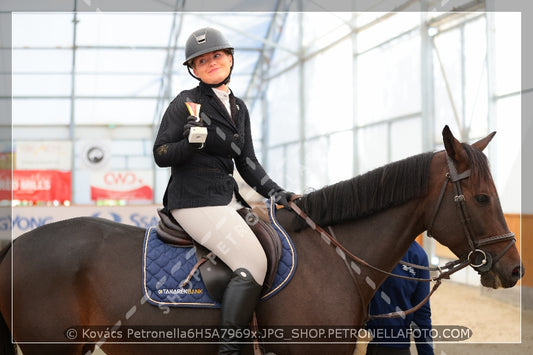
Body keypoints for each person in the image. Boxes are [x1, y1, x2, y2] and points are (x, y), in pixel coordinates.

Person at [153, 27, 294, 354]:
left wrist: (276, 193)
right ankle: (229, 351)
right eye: (202, 60)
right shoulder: (185, 102)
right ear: (194, 69)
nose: (211, 63)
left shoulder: (239, 108)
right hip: (193, 202)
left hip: (228, 199)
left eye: (216, 55)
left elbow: (248, 162)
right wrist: (188, 143)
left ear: (230, 58)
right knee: (253, 263)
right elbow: (160, 154)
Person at [365, 241, 434, 355]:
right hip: (356, 345)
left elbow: (422, 313)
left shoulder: (418, 256)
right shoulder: (368, 241)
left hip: (396, 347)